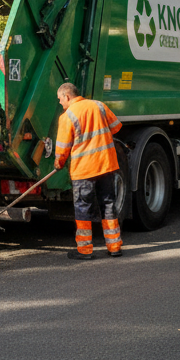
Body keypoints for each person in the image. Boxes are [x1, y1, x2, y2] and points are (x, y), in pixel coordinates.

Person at [54, 82, 123, 260]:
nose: (60, 103)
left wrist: (59, 163)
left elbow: (62, 148)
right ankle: (114, 246)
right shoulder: (99, 106)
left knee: (83, 208)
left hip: (84, 170)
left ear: (67, 96)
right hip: (106, 165)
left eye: (60, 99)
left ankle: (84, 250)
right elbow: (116, 127)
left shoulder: (67, 116)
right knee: (108, 204)